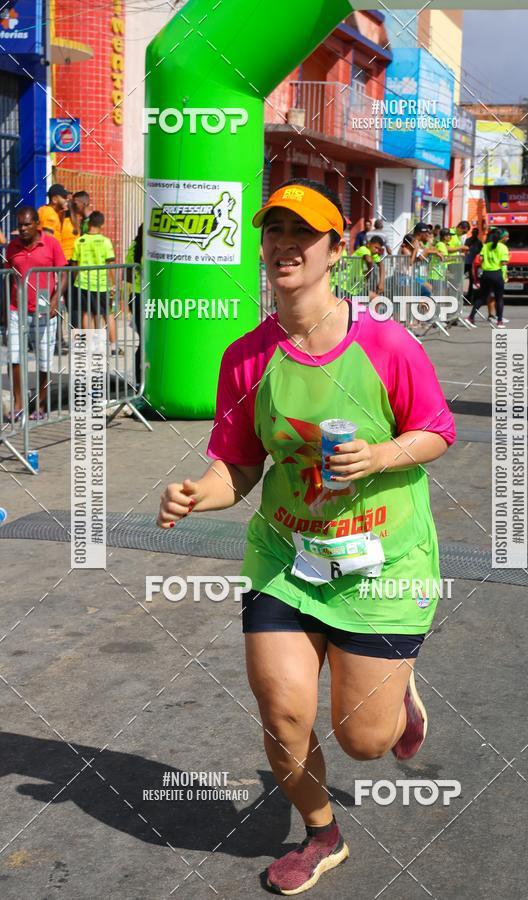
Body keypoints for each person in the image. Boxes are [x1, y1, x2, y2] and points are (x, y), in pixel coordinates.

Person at [157, 177, 455, 895]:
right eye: (275, 232)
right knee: (284, 711)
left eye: (305, 234)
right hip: (286, 560)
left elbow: (438, 432)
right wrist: (200, 494)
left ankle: (399, 694)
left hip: (382, 563)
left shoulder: (387, 344)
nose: (286, 246)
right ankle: (322, 833)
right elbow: (238, 468)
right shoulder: (246, 357)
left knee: (365, 740)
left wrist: (381, 455)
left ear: (335, 249)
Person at [4, 207, 67, 421]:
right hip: (16, 310)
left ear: (37, 224)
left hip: (44, 312)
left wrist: (55, 300)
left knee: (44, 361)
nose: (22, 228)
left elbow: (64, 274)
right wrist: (4, 308)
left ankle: (40, 405)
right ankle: (19, 405)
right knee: (14, 357)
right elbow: (7, 276)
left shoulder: (51, 243)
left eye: (27, 224)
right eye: (19, 224)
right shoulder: (12, 247)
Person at [70, 211, 121, 354]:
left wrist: (76, 278)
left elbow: (74, 263)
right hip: (101, 283)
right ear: (102, 224)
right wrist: (113, 283)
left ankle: (90, 344)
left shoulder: (80, 241)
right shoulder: (105, 242)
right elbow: (110, 264)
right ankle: (114, 345)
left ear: (89, 223)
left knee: (87, 313)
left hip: (83, 282)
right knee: (108, 313)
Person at [467, 229, 509, 328]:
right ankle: (499, 321)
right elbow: (503, 262)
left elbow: (480, 259)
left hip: (486, 274)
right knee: (499, 298)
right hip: (497, 273)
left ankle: (471, 317)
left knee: (482, 297)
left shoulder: (486, 246)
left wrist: (487, 263)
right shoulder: (503, 247)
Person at [125, 223, 143, 388]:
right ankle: (141, 382)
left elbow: (128, 275)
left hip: (135, 296)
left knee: (143, 340)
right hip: (148, 297)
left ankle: (139, 381)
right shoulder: (151, 248)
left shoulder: (134, 247)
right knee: (147, 341)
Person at [352, 234, 384, 298]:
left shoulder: (372, 253)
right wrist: (368, 274)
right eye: (376, 247)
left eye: (379, 249)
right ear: (369, 244)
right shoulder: (363, 249)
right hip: (348, 286)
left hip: (358, 287)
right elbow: (369, 260)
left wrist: (381, 283)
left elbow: (381, 265)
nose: (377, 250)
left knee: (377, 299)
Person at [464, 226, 483, 304]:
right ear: (472, 233)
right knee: (459, 279)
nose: (474, 234)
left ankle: (469, 297)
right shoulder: (468, 240)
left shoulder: (479, 243)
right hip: (466, 262)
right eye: (473, 233)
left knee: (472, 281)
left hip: (473, 264)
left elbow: (481, 252)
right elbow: (464, 249)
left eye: (476, 233)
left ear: (477, 234)